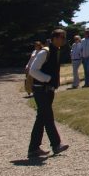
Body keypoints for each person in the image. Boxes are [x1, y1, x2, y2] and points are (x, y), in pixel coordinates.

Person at [27, 28, 69, 159]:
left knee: (41, 118)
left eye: (64, 37)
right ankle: (56, 144)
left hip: (48, 90)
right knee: (48, 116)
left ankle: (33, 148)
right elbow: (32, 70)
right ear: (55, 38)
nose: (63, 40)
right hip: (41, 89)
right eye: (61, 37)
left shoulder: (55, 51)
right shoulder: (45, 52)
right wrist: (48, 79)